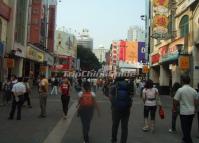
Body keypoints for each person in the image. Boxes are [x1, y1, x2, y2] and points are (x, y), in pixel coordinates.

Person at [174, 74, 198, 143]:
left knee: (184, 128)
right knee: (189, 127)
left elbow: (175, 101)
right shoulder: (194, 90)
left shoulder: (180, 90)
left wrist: (175, 108)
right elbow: (196, 102)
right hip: (191, 112)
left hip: (184, 112)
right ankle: (185, 139)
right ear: (189, 81)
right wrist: (195, 109)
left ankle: (188, 141)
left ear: (182, 81)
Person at [109, 77, 133, 143]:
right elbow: (130, 98)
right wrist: (129, 107)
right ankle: (123, 141)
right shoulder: (127, 86)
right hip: (126, 109)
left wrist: (113, 105)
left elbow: (110, 97)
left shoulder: (113, 87)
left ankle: (114, 140)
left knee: (115, 125)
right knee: (124, 127)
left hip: (116, 109)